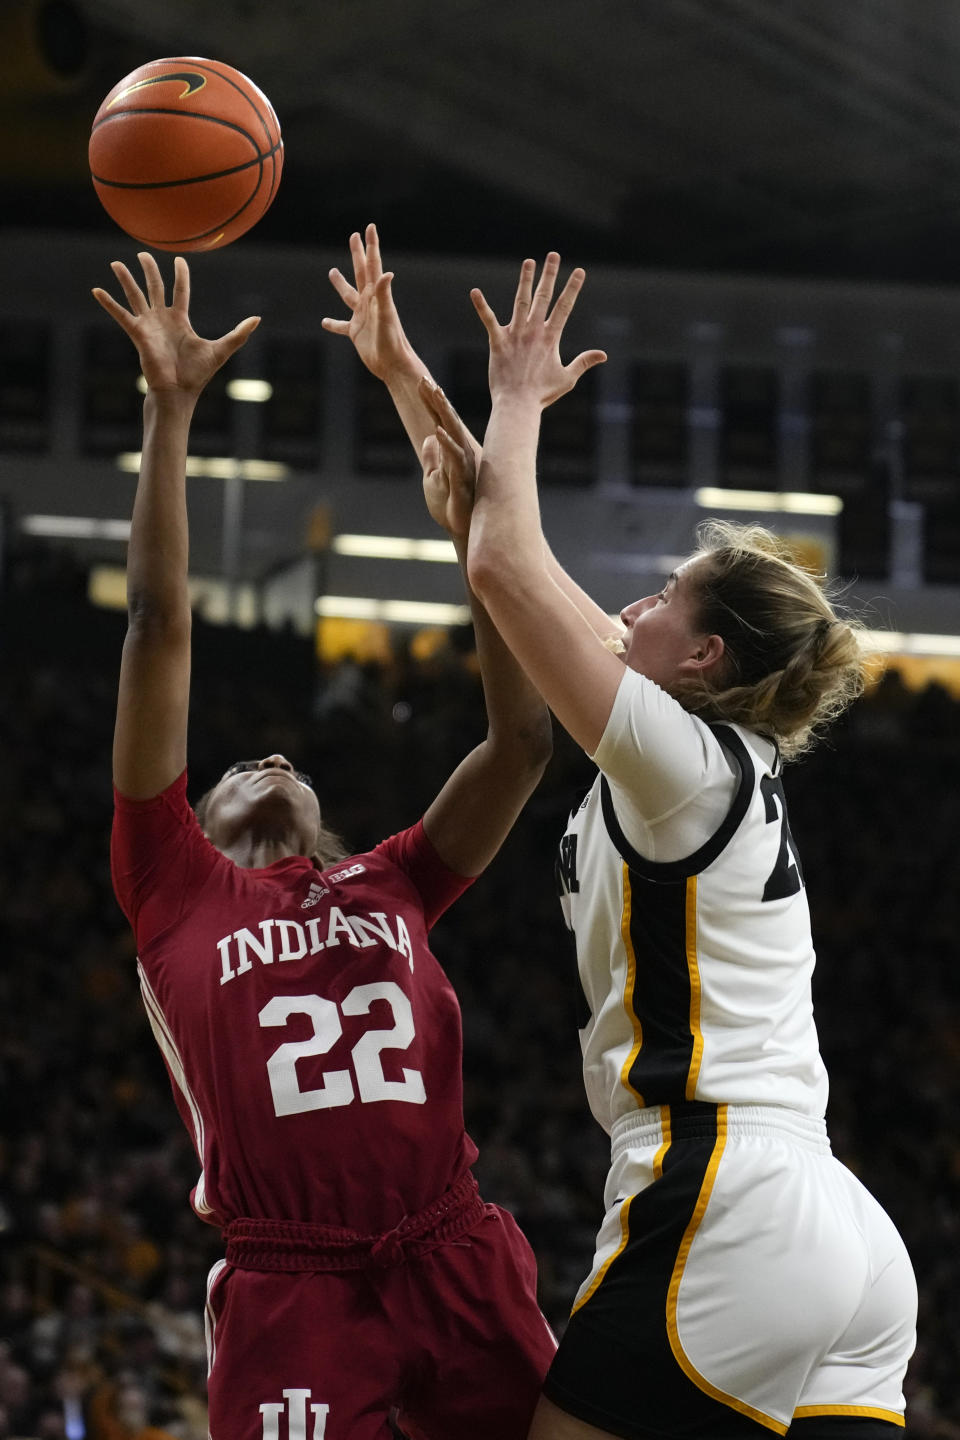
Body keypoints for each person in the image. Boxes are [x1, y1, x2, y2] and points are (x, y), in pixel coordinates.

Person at [447, 254, 915, 1439]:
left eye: (664, 596)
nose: (637, 606)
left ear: (702, 660)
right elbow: (492, 538)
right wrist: (408, 373)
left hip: (722, 1196)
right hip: (839, 1229)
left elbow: (503, 561)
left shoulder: (671, 760)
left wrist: (518, 396)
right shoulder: (698, 758)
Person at [95, 251, 557, 1440]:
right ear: (192, 816)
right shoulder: (173, 889)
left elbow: (520, 747)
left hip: (451, 1250)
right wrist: (170, 409)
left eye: (292, 764)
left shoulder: (391, 880)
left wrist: (481, 555)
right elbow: (159, 623)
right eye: (247, 761)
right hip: (291, 1282)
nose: (275, 758)